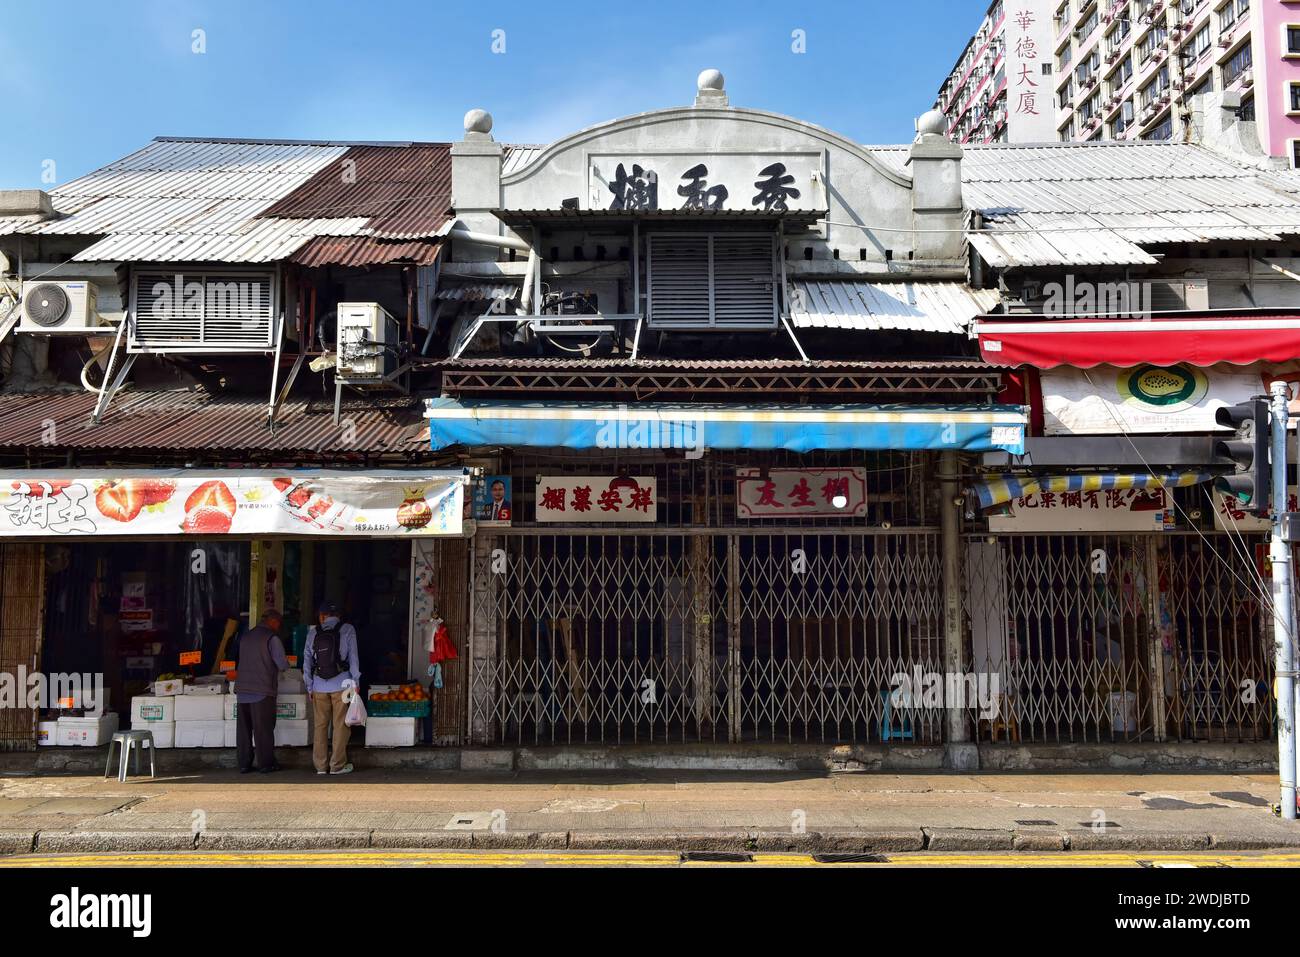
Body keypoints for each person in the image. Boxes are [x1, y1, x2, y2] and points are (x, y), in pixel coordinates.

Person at [304, 599, 360, 775]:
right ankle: (337, 765)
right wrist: (356, 681)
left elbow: (307, 661)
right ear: (339, 615)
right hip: (342, 685)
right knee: (340, 725)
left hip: (319, 685)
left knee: (320, 726)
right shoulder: (348, 629)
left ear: (322, 616)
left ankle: (320, 766)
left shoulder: (313, 632)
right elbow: (353, 658)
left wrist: (309, 686)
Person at [235, 609, 288, 774]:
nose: (279, 627)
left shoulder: (246, 637)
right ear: (273, 621)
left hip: (242, 690)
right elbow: (282, 665)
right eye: (279, 623)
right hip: (262, 690)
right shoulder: (272, 639)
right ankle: (266, 764)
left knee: (244, 730)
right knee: (263, 729)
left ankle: (244, 764)